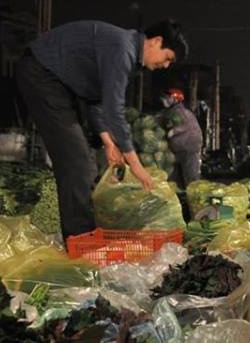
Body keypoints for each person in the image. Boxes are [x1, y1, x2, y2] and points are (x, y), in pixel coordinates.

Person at [16, 19, 187, 239]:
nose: (165, 65)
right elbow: (114, 110)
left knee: (79, 159)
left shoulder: (127, 55)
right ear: (156, 41)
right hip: (42, 74)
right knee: (76, 160)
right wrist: (135, 164)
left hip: (56, 82)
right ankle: (81, 239)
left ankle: (81, 234)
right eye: (168, 58)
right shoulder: (122, 49)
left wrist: (108, 142)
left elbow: (96, 100)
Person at [159, 88, 203, 190]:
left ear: (175, 99)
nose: (164, 100)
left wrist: (174, 131)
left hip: (188, 147)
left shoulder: (181, 112)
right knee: (176, 178)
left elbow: (187, 126)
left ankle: (195, 200)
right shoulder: (171, 112)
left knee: (191, 178)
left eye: (167, 98)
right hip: (179, 149)